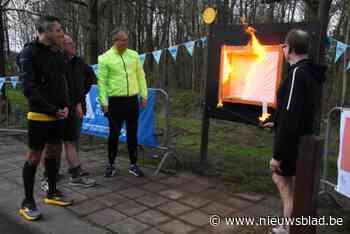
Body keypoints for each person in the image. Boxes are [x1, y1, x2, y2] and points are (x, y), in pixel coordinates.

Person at [263, 29, 326, 234]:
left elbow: (291, 117)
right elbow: (297, 112)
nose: (282, 48)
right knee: (289, 184)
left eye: (284, 45)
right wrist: (276, 122)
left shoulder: (298, 73)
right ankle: (290, 224)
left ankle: (289, 226)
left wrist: (278, 155)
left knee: (281, 180)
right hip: (302, 141)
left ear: (289, 49)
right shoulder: (309, 73)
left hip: (293, 144)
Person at [18, 15, 73, 221]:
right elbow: (29, 89)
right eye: (58, 30)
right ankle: (27, 202)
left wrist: (66, 105)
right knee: (34, 157)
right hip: (39, 114)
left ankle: (52, 192)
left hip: (58, 114)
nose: (61, 33)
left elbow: (62, 84)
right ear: (47, 32)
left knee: (55, 151)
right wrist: (51, 109)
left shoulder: (57, 53)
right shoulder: (28, 53)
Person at [41, 34, 96, 190]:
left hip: (75, 108)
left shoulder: (79, 62)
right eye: (67, 43)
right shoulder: (57, 61)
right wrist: (73, 102)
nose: (71, 45)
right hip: (58, 109)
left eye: (72, 43)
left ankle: (74, 172)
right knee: (53, 144)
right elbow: (62, 88)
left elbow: (90, 77)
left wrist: (80, 97)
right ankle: (50, 175)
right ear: (61, 45)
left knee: (71, 141)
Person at [97, 29, 148, 177]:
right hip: (115, 102)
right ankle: (111, 164)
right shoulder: (105, 58)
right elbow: (102, 83)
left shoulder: (134, 55)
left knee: (133, 134)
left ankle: (133, 164)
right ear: (115, 41)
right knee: (114, 134)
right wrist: (104, 102)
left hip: (132, 100)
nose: (125, 42)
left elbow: (141, 76)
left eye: (126, 40)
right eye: (122, 40)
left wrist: (144, 95)